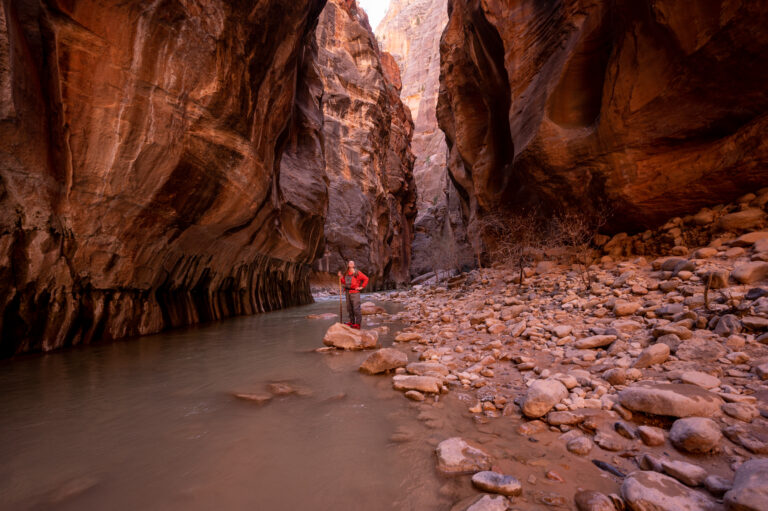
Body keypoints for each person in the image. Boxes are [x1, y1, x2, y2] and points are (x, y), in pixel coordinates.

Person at [338, 260, 368, 329]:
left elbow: (366, 279)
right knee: (349, 308)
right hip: (347, 293)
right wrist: (340, 277)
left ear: (354, 265)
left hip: (355, 293)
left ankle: (358, 324)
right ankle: (352, 322)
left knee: (356, 309)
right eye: (350, 263)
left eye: (352, 263)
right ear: (348, 265)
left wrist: (362, 287)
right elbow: (344, 282)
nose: (351, 264)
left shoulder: (357, 273)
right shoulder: (346, 273)